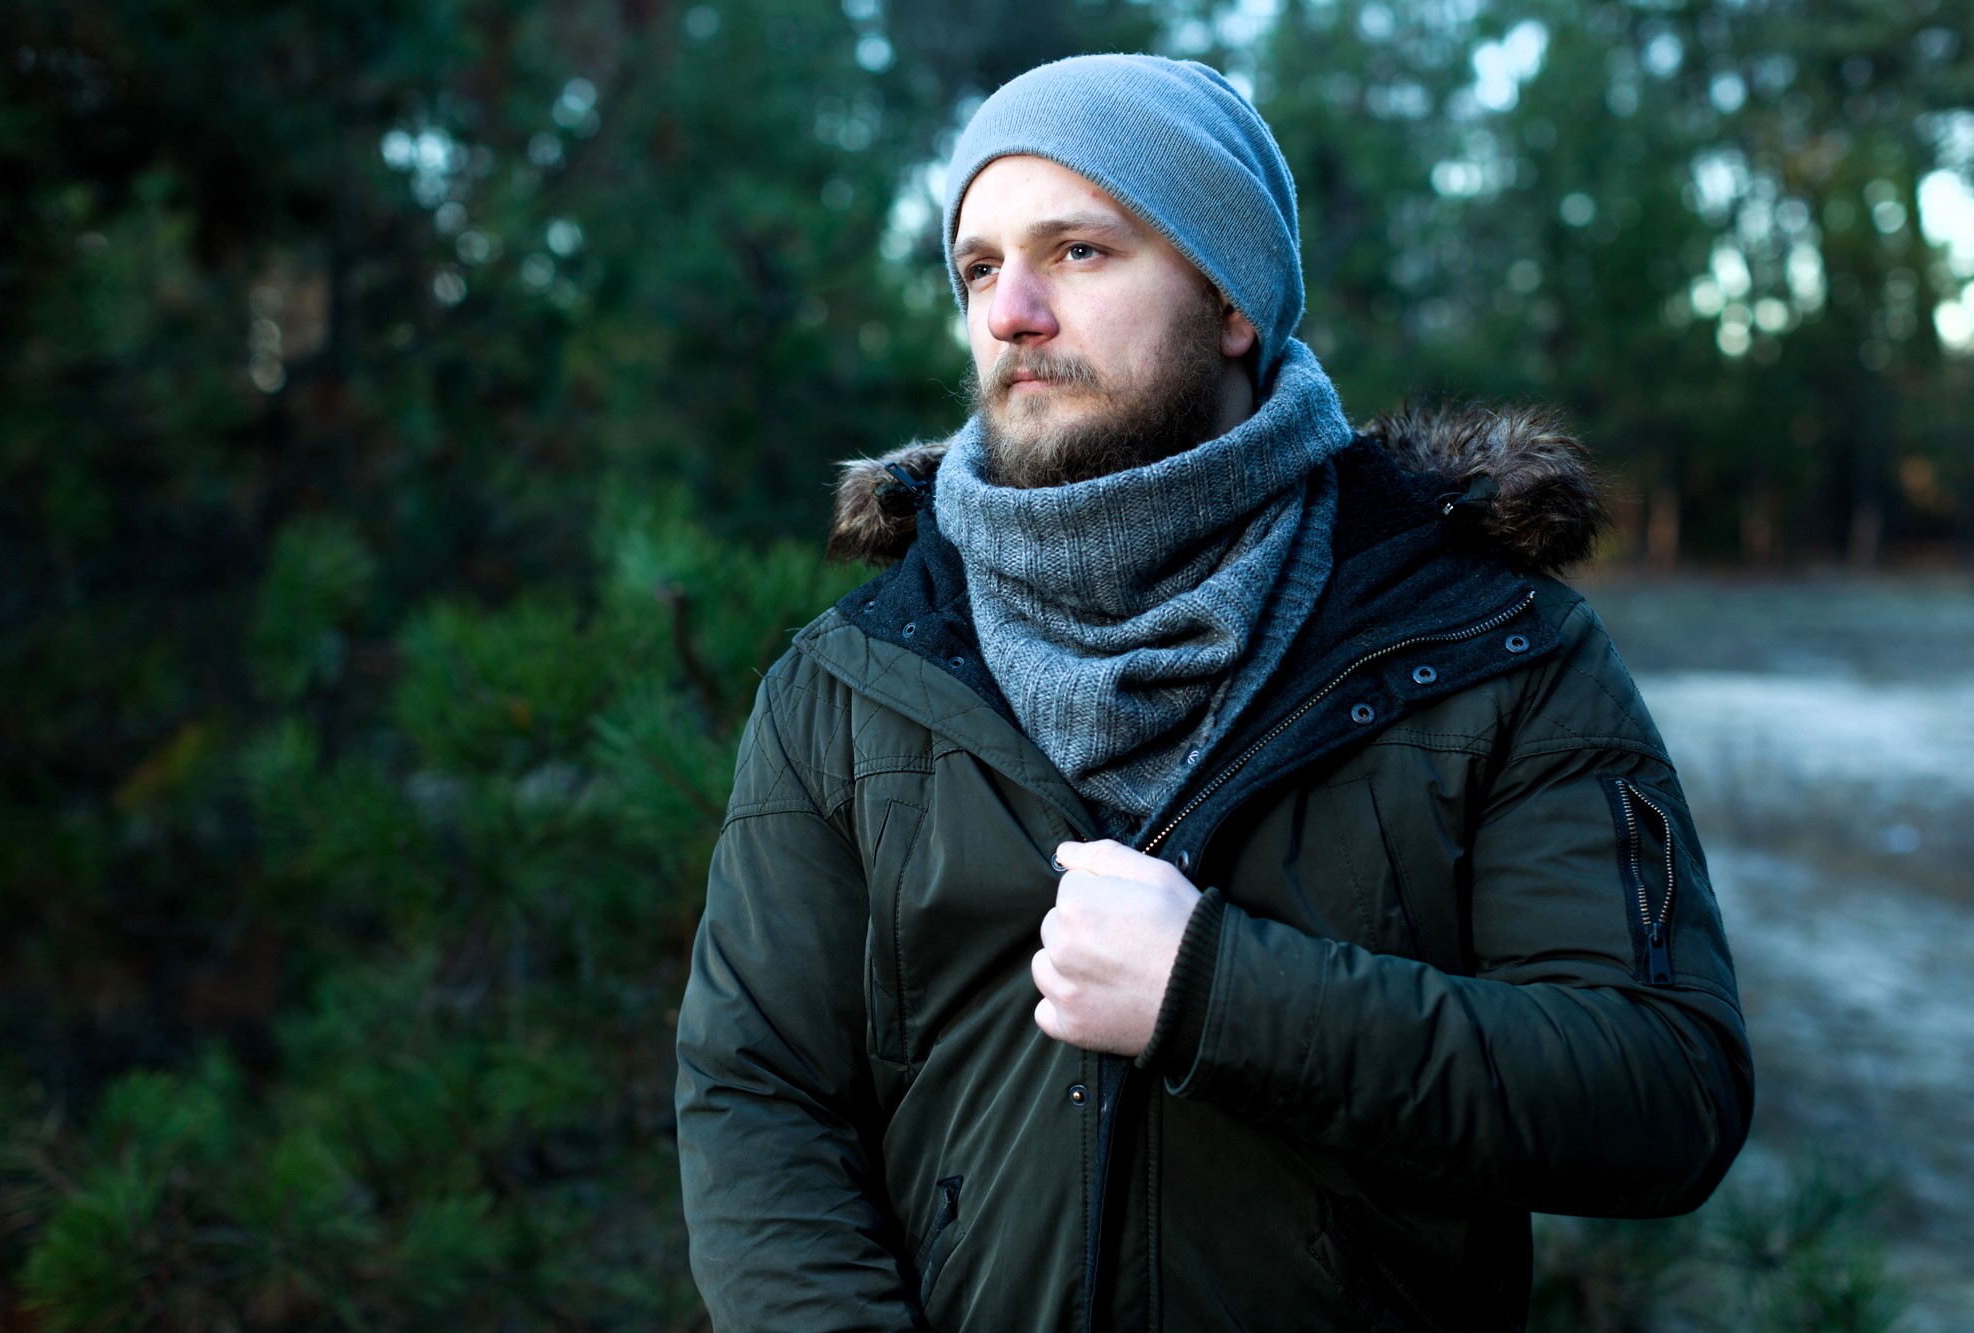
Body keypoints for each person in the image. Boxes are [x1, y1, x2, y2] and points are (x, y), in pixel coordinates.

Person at [675, 53, 1752, 1332]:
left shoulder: (1488, 643)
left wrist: (1214, 991)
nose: (1009, 310)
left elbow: (1659, 1089)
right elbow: (757, 1097)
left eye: (1077, 251)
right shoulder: (856, 678)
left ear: (1232, 300)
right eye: (977, 266)